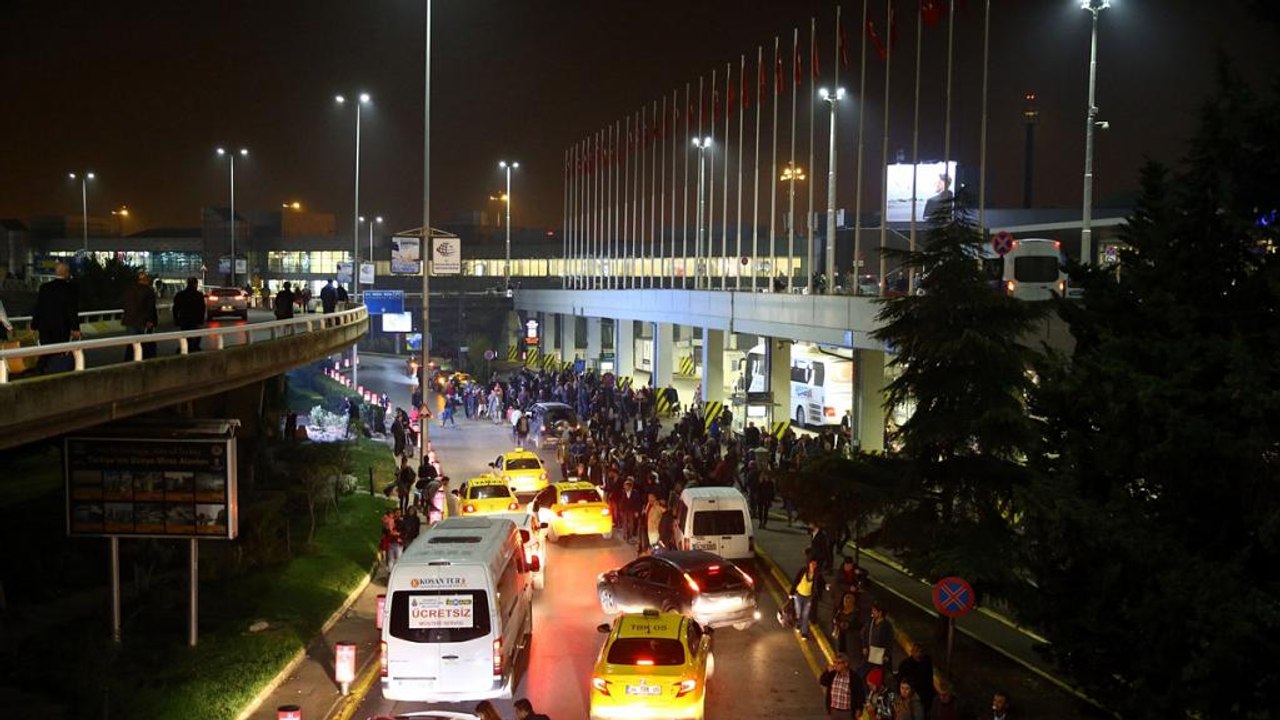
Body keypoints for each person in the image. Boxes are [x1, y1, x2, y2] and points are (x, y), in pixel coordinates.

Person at [31, 261, 81, 373]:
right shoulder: (70, 289)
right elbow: (72, 311)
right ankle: (56, 371)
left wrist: (33, 326)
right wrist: (75, 328)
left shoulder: (45, 288)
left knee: (45, 351)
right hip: (62, 327)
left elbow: (38, 308)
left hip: (45, 327)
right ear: (67, 273)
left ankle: (41, 371)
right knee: (60, 352)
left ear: (55, 272)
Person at [790, 557, 827, 641]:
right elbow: (796, 581)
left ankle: (804, 632)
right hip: (798, 595)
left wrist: (826, 586)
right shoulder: (803, 571)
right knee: (799, 612)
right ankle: (799, 623)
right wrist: (791, 592)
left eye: (815, 564)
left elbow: (822, 582)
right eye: (812, 564)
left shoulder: (817, 574)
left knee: (805, 614)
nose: (813, 566)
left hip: (808, 597)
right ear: (809, 564)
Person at [821, 653, 866, 718]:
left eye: (838, 663)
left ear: (846, 664)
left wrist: (859, 709)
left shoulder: (854, 677)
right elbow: (823, 681)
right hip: (833, 710)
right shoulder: (832, 674)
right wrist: (827, 672)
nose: (835, 665)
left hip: (847, 712)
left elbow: (860, 694)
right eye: (834, 662)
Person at [896, 643, 936, 714]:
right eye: (917, 651)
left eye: (921, 651)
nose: (919, 654)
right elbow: (900, 681)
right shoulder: (905, 665)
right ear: (912, 652)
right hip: (910, 696)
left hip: (924, 696)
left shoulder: (927, 662)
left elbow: (929, 680)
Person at [172, 277, 206, 351]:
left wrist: (176, 319)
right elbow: (202, 309)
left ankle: (187, 347)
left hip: (184, 319)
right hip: (196, 320)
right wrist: (201, 320)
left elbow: (175, 308)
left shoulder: (180, 294)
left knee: (185, 335)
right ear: (196, 284)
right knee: (197, 335)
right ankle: (195, 348)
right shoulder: (199, 295)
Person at [863, 602, 895, 675]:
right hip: (870, 652)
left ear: (880, 612)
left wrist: (887, 655)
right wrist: (865, 646)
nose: (872, 612)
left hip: (881, 653)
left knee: (880, 673)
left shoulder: (887, 625)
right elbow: (865, 634)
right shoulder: (870, 622)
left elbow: (890, 641)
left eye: (874, 611)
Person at [832, 590, 861, 655]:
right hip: (840, 637)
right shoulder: (840, 610)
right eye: (845, 599)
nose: (846, 602)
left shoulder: (856, 613)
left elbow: (858, 624)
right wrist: (839, 623)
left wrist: (848, 625)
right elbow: (835, 619)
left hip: (850, 640)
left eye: (848, 599)